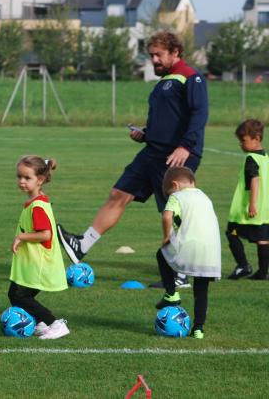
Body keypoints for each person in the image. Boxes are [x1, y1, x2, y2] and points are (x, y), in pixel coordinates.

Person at [57, 30, 209, 289]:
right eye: (151, 55)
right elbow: (167, 119)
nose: (154, 60)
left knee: (171, 212)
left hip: (175, 155)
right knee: (119, 193)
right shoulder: (163, 82)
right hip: (152, 151)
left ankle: (180, 271)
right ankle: (82, 245)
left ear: (175, 52)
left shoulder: (190, 77)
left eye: (159, 55)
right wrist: (146, 134)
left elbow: (199, 114)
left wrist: (186, 146)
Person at [154, 167, 220, 339]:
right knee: (201, 289)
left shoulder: (177, 196)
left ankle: (171, 293)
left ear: (175, 185)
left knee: (162, 254)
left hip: (190, 246)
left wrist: (167, 235)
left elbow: (167, 216)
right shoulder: (205, 197)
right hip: (211, 252)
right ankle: (198, 329)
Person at [9, 156, 69, 340]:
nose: (21, 181)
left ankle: (55, 324)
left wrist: (21, 236)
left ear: (40, 180)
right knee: (14, 294)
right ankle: (41, 324)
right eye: (19, 177)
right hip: (31, 262)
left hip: (39, 263)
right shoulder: (35, 202)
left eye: (27, 178)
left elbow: (45, 234)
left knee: (20, 296)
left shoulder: (37, 206)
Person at [226, 119, 269, 280]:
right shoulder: (265, 158)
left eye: (243, 140)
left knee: (231, 233)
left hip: (248, 208)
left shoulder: (251, 158)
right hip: (264, 209)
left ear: (256, 138)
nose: (241, 144)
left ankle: (243, 265)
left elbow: (255, 180)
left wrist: (251, 204)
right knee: (263, 239)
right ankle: (263, 272)